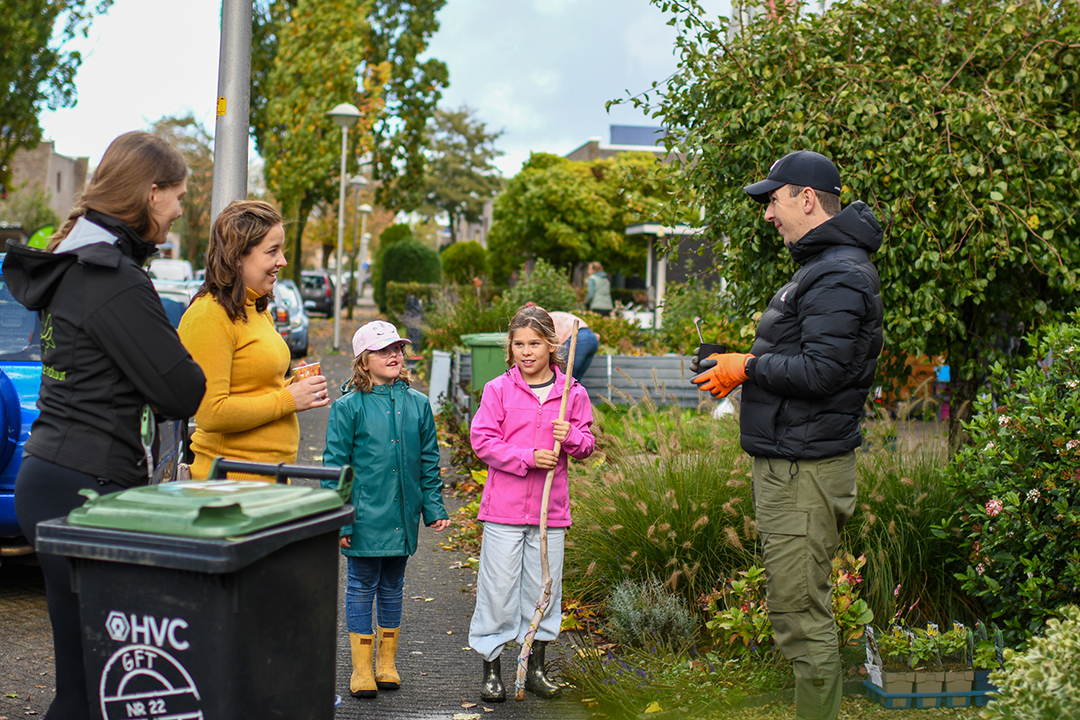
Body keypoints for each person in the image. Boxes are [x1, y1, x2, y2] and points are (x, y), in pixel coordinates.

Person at [2, 131, 207, 720]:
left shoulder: (73, 264)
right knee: (100, 685)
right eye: (177, 195)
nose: (179, 209)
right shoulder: (110, 278)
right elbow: (182, 389)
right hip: (87, 486)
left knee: (86, 681)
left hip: (56, 474)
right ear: (150, 193)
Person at [691, 150, 883, 720]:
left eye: (773, 200)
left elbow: (823, 372)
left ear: (805, 197)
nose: (767, 214)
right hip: (792, 464)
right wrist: (731, 361)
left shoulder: (840, 273)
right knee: (796, 609)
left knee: (801, 617)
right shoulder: (822, 268)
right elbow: (807, 357)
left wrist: (746, 367)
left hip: (805, 472)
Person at [468, 305, 595, 702]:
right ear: (510, 347)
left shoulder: (571, 393)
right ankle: (492, 670)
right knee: (499, 590)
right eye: (519, 344)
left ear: (551, 345)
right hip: (504, 511)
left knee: (544, 589)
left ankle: (535, 668)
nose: (526, 351)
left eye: (535, 343)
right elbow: (483, 440)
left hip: (549, 513)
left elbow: (587, 445)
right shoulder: (499, 389)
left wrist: (570, 435)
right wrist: (525, 457)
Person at [322, 320, 451, 699]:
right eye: (383, 350)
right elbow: (335, 466)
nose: (394, 354)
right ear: (364, 361)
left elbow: (429, 461)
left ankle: (386, 663)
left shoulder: (418, 404)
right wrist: (338, 515)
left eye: (397, 348)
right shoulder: (348, 407)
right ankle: (361, 668)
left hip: (402, 517)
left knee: (393, 587)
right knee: (361, 586)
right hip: (363, 516)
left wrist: (434, 506)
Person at [178, 200, 328, 479]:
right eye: (272, 251)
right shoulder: (209, 316)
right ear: (236, 256)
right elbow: (211, 413)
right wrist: (287, 398)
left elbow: (253, 388)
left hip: (264, 482)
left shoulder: (255, 307)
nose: (282, 261)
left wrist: (293, 387)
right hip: (229, 487)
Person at [550, 309, 599, 380]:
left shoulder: (544, 321)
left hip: (579, 337)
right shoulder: (552, 316)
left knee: (568, 375)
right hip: (592, 337)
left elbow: (553, 343)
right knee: (576, 377)